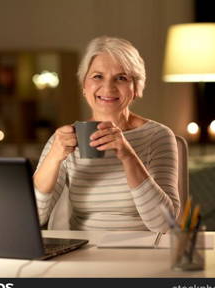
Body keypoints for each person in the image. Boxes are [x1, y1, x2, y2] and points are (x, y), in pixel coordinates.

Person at [33, 36, 180, 232]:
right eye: (97, 76)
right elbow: (33, 217)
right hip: (84, 252)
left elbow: (164, 224)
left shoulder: (157, 136)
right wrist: (53, 157)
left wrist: (128, 156)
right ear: (84, 86)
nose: (108, 88)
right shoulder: (64, 139)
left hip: (144, 252)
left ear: (136, 88)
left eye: (121, 78)